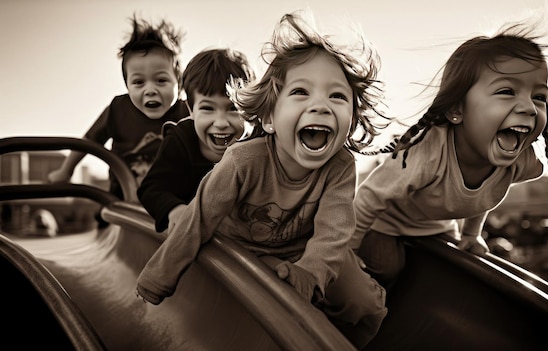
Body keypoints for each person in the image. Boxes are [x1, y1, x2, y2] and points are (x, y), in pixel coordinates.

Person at [136, 11, 390, 349]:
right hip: (249, 249)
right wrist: (158, 276)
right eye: (301, 92)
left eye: (337, 96)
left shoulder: (340, 165)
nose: (321, 106)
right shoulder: (243, 161)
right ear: (269, 117)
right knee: (269, 303)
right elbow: (199, 218)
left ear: (352, 117)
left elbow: (334, 230)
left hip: (307, 248)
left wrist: (311, 272)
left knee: (366, 305)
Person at [351, 19, 548, 289]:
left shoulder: (517, 161)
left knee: (448, 276)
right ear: (457, 110)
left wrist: (471, 233)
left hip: (436, 226)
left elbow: (484, 196)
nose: (528, 107)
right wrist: (346, 252)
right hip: (384, 221)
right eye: (506, 91)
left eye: (539, 96)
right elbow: (368, 197)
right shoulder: (426, 153)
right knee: (388, 268)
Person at [48, 14, 188, 203]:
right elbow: (89, 141)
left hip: (173, 205)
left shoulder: (187, 113)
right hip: (123, 201)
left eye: (161, 80)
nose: (150, 90)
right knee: (111, 224)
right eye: (139, 82)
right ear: (127, 86)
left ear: (178, 83)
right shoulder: (118, 110)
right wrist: (65, 171)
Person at [137, 48, 255, 233]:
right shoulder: (181, 140)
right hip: (191, 233)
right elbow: (152, 189)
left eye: (233, 109)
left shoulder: (256, 146)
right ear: (191, 110)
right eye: (208, 108)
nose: (221, 122)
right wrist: (174, 209)